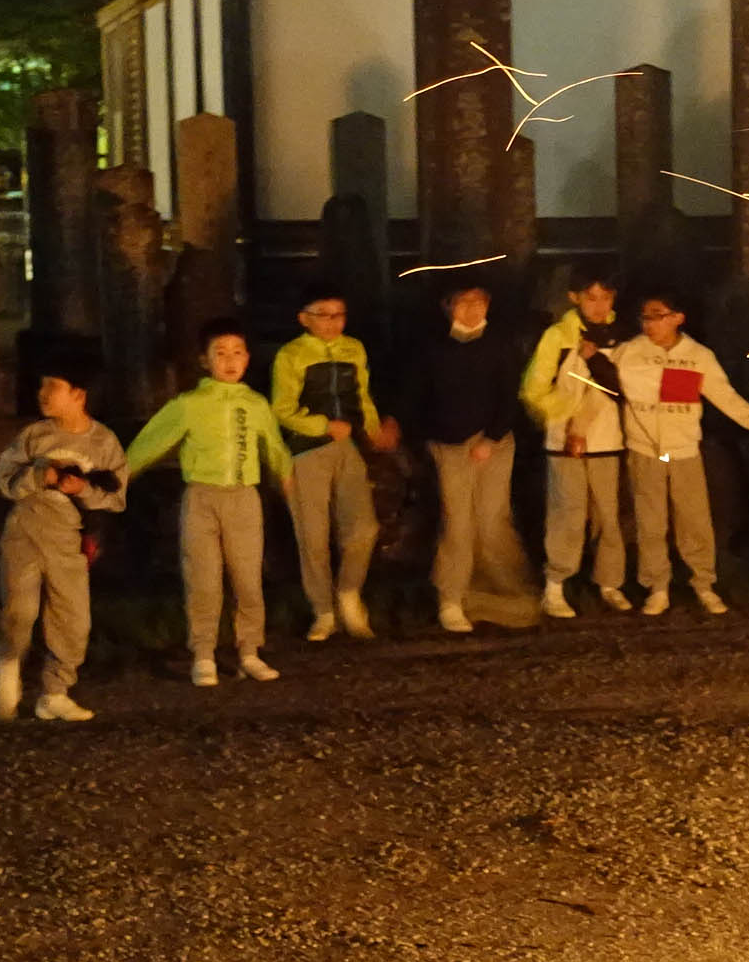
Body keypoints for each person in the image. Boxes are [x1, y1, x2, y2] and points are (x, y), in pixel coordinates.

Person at [126, 317, 296, 686]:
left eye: (237, 353)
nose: (230, 361)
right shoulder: (190, 404)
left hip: (244, 497)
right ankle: (203, 653)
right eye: (220, 353)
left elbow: (273, 447)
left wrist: (286, 480)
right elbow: (151, 440)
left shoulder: (255, 404)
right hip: (202, 497)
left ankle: (249, 651)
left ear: (248, 357)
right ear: (205, 360)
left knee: (247, 579)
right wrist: (121, 475)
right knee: (203, 578)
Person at [607, 290, 749, 615]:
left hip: (682, 451)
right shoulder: (629, 352)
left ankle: (703, 584)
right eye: (645, 317)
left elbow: (726, 398)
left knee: (694, 520)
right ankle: (657, 587)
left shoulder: (698, 356)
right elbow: (596, 377)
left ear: (677, 318)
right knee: (651, 521)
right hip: (645, 451)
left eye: (658, 316)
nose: (650, 323)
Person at [398, 278, 537, 634]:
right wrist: (424, 437)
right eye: (464, 302)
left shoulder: (501, 344)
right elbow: (416, 396)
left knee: (492, 520)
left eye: (479, 302)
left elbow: (509, 395)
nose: (472, 309)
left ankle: (503, 590)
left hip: (495, 443)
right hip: (449, 445)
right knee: (457, 523)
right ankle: (452, 598)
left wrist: (490, 438)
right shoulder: (432, 348)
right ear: (448, 306)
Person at [0, 361, 128, 720]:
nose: (42, 395)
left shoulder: (104, 442)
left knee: (72, 619)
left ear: (78, 395)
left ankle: (55, 691)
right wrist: (40, 475)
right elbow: (5, 480)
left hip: (69, 540)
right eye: (41, 386)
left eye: (51, 387)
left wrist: (82, 489)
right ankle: (8, 664)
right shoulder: (34, 436)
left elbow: (116, 498)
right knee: (19, 610)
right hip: (25, 530)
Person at [270, 282, 396, 642]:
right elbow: (281, 408)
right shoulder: (291, 354)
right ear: (304, 319)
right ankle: (323, 612)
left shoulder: (353, 348)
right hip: (306, 449)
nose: (332, 322)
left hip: (347, 446)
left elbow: (362, 395)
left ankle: (349, 593)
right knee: (312, 534)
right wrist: (322, 426)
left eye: (338, 314)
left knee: (363, 526)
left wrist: (372, 428)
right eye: (322, 315)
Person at [521, 270, 630, 618]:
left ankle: (609, 582)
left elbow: (623, 386)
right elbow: (533, 389)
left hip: (607, 439)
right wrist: (565, 418)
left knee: (608, 515)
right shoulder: (558, 336)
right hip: (563, 441)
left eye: (606, 297)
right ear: (574, 298)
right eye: (591, 297)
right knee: (567, 513)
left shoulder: (622, 336)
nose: (599, 306)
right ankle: (555, 585)